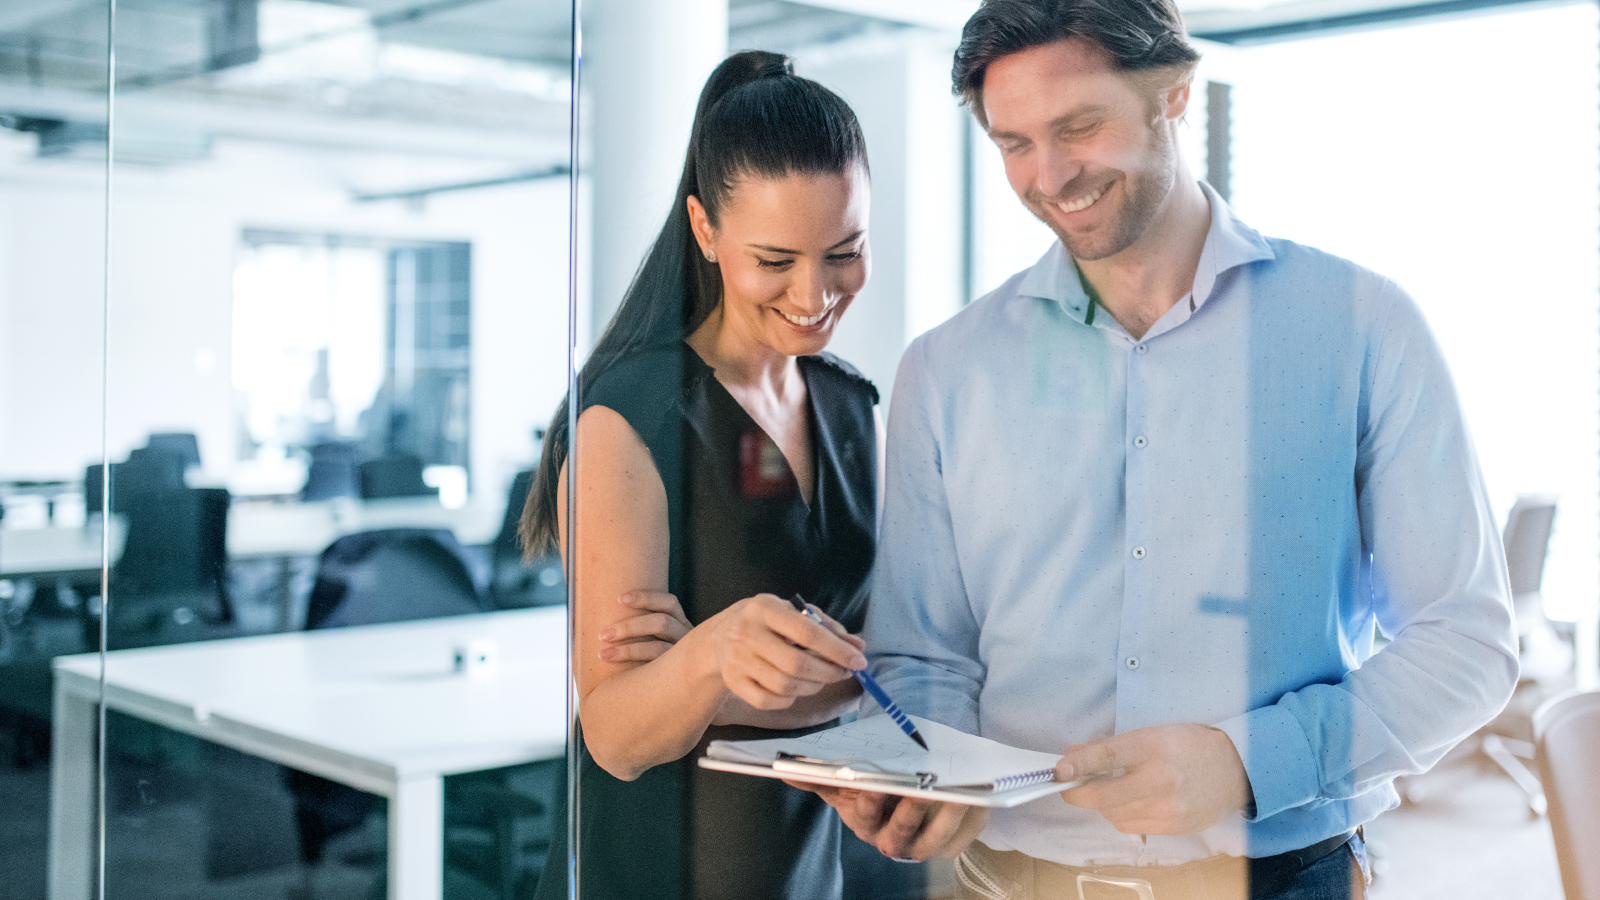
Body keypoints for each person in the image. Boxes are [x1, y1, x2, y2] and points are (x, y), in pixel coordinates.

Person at [798, 2, 1519, 898]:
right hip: (1010, 882)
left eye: (1079, 127)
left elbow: (1467, 644)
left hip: (1282, 878)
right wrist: (926, 780)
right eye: (1014, 143)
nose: (1049, 176)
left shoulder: (1363, 326)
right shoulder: (945, 370)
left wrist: (1244, 763)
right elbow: (930, 655)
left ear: (1175, 93)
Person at [521, 51, 883, 900]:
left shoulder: (850, 404)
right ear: (705, 229)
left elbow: (876, 667)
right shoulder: (632, 417)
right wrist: (715, 655)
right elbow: (614, 734)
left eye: (845, 252)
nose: (815, 292)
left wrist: (696, 676)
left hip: (798, 870)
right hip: (651, 870)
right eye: (776, 259)